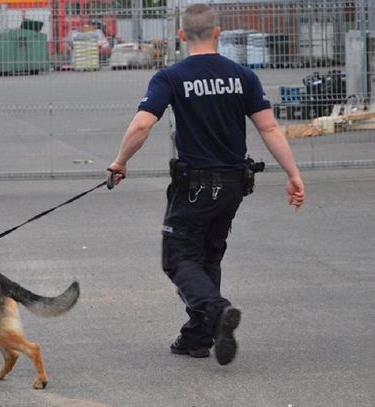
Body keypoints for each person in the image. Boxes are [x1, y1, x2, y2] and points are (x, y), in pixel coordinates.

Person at [107, 4, 305, 366]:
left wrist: (120, 162)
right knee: (208, 256)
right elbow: (270, 128)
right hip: (232, 187)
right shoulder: (243, 76)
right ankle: (198, 336)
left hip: (195, 187)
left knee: (178, 258)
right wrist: (293, 174)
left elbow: (141, 125)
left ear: (181, 36)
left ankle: (216, 312)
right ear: (218, 33)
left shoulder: (171, 77)